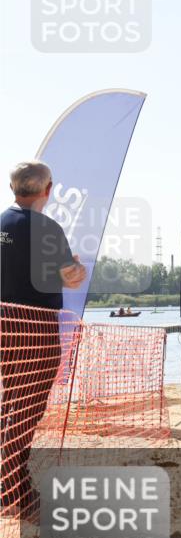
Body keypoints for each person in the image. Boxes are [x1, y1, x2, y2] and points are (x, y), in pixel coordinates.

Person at [1, 161, 86, 517]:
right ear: (47, 190)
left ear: (13, 188)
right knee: (25, 411)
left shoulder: (2, 223)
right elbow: (72, 279)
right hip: (35, 329)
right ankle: (13, 493)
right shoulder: (48, 229)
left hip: (4, 325)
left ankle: (13, 489)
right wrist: (76, 268)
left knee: (10, 407)